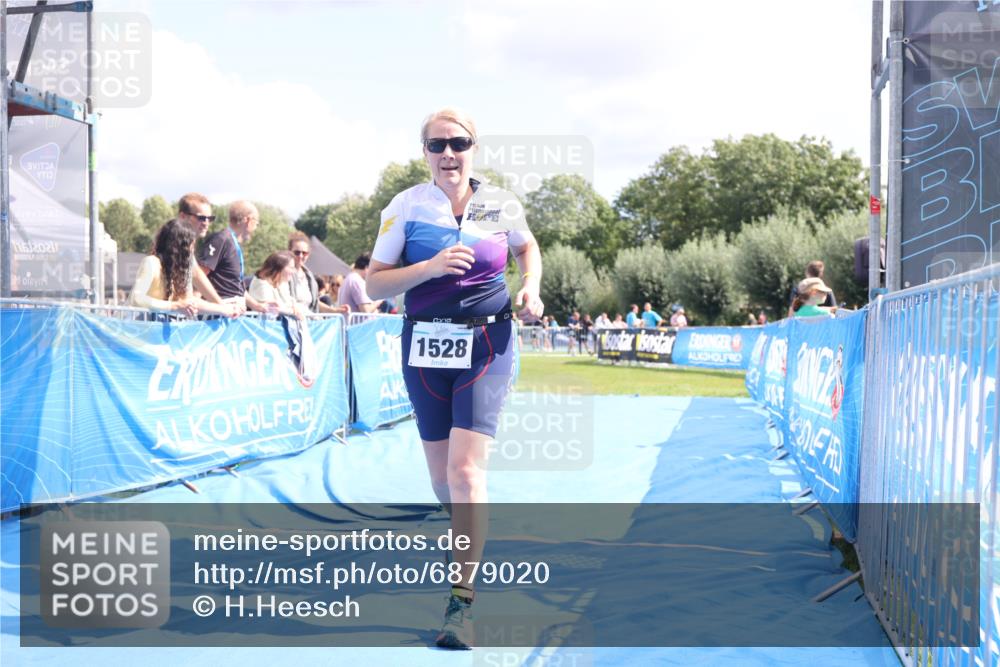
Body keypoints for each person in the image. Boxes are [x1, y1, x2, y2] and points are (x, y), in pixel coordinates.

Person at [365, 107, 543, 650]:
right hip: (424, 345)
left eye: (458, 143)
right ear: (424, 152)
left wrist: (530, 286)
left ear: (473, 148)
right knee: (444, 482)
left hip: (488, 344)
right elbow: (374, 285)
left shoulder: (501, 203)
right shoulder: (406, 207)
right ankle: (467, 531)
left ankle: (460, 602)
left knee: (467, 474)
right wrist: (429, 267)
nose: (449, 153)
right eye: (437, 144)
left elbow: (527, 246)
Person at [129, 218, 240, 318]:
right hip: (137, 330)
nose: (192, 251)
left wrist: (225, 309)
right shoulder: (151, 263)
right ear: (179, 247)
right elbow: (137, 299)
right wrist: (174, 306)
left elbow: (190, 302)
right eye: (191, 246)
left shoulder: (181, 271)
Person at [198, 200, 267, 313]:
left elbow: (236, 287)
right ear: (248, 220)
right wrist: (219, 306)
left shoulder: (232, 242)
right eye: (257, 223)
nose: (256, 228)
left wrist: (259, 307)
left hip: (231, 315)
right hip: (217, 318)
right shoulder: (221, 239)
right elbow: (199, 276)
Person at [176, 192, 232, 309]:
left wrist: (221, 305)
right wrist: (223, 308)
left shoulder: (187, 243)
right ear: (182, 216)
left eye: (210, 218)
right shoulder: (176, 242)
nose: (206, 223)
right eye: (201, 218)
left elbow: (197, 274)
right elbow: (195, 276)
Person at [287, 232, 348, 314]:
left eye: (304, 253)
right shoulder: (283, 274)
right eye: (297, 252)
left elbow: (315, 303)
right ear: (289, 252)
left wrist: (335, 311)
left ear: (308, 254)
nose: (301, 256)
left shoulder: (309, 277)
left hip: (310, 321)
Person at [248, 251, 305, 318]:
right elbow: (273, 310)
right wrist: (293, 311)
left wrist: (295, 306)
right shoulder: (261, 284)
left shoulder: (282, 282)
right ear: (279, 268)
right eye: (291, 268)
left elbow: (290, 302)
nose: (293, 271)